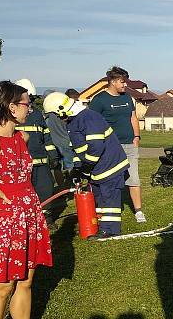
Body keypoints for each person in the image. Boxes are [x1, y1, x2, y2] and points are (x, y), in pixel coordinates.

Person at [0, 81, 53, 319]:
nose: (30, 108)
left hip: (30, 214)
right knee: (3, 286)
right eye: (26, 103)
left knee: (26, 280)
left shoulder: (21, 138)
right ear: (11, 107)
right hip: (6, 219)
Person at [43, 91, 129, 239]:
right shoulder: (73, 122)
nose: (57, 118)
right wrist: (77, 167)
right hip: (98, 168)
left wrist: (86, 166)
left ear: (61, 109)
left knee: (109, 198)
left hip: (109, 167)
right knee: (100, 197)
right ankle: (101, 227)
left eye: (56, 115)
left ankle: (111, 230)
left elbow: (96, 146)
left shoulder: (88, 117)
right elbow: (77, 148)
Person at [88, 66, 145, 223]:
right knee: (111, 180)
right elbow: (92, 123)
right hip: (111, 147)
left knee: (134, 178)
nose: (125, 85)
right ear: (112, 82)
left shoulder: (127, 98)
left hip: (130, 144)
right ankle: (110, 208)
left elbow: (133, 118)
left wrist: (136, 137)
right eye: (122, 82)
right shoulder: (99, 100)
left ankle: (138, 211)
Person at [13, 79, 60, 226]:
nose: (30, 103)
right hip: (22, 164)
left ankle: (46, 220)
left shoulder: (37, 115)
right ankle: (27, 220)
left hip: (41, 163)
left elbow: (46, 135)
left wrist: (53, 155)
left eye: (31, 99)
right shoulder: (13, 117)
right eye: (28, 100)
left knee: (45, 190)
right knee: (25, 194)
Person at [43, 88, 77, 186]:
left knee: (57, 167)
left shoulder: (47, 116)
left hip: (54, 145)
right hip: (66, 143)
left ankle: (62, 187)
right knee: (70, 166)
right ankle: (74, 188)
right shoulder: (62, 113)